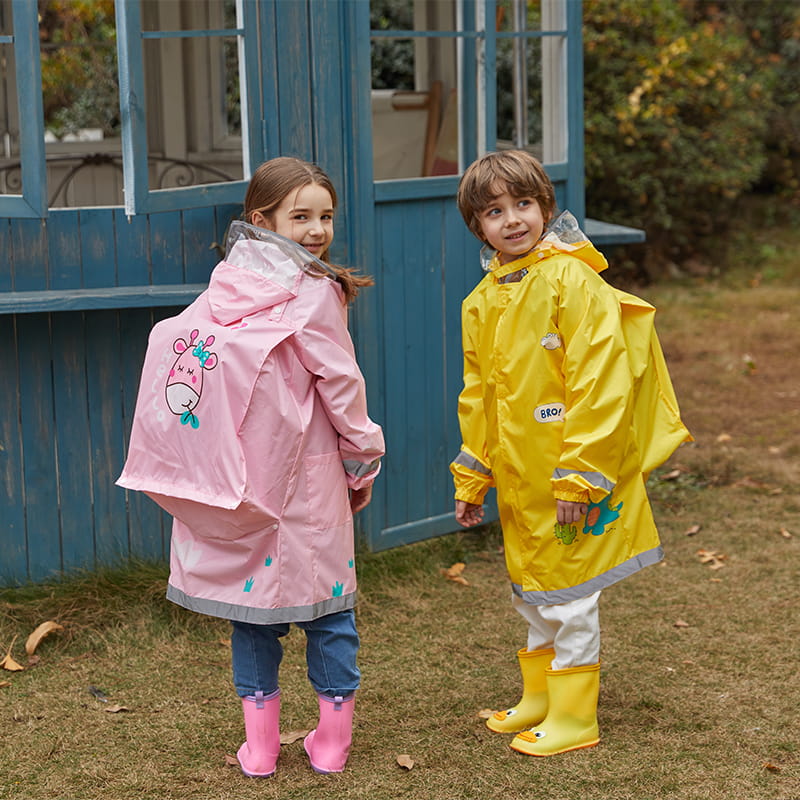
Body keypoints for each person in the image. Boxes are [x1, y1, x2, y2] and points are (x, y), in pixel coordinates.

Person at [118, 157, 385, 777]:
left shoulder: (226, 282)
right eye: (301, 216)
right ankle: (331, 742)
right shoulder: (315, 292)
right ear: (260, 218)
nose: (317, 229)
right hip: (310, 479)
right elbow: (341, 385)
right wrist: (364, 458)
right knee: (330, 611)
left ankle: (261, 749)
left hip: (236, 479)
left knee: (253, 614)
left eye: (325, 216)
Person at [451, 150, 690, 757]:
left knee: (574, 594)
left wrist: (581, 474)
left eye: (523, 204)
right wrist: (472, 476)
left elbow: (599, 380)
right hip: (521, 480)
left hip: (570, 474)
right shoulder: (481, 300)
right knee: (531, 586)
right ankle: (542, 698)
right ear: (476, 225)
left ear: (546, 208)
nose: (512, 220)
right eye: (494, 211)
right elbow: (480, 396)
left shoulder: (571, 280)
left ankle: (576, 717)